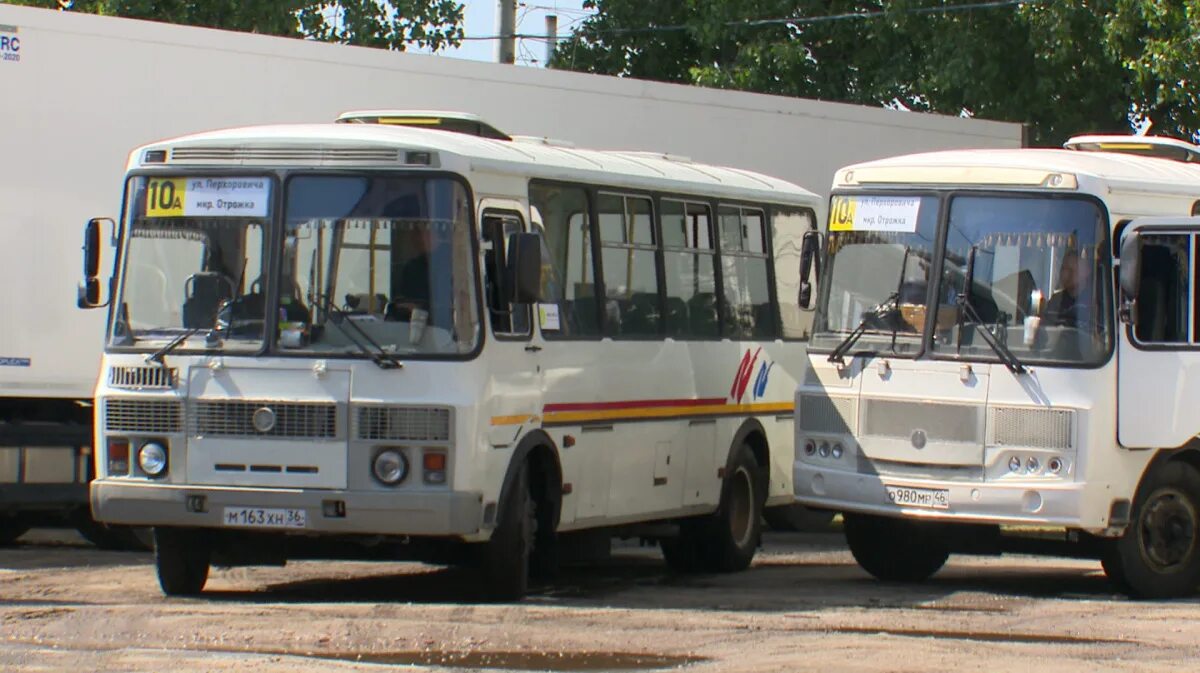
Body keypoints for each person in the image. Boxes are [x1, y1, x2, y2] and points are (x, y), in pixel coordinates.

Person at [1044, 251, 1092, 328]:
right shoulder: (1056, 301)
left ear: (1085, 271)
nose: (1066, 274)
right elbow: (1045, 328)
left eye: (1072, 269)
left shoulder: (1095, 300)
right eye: (1064, 268)